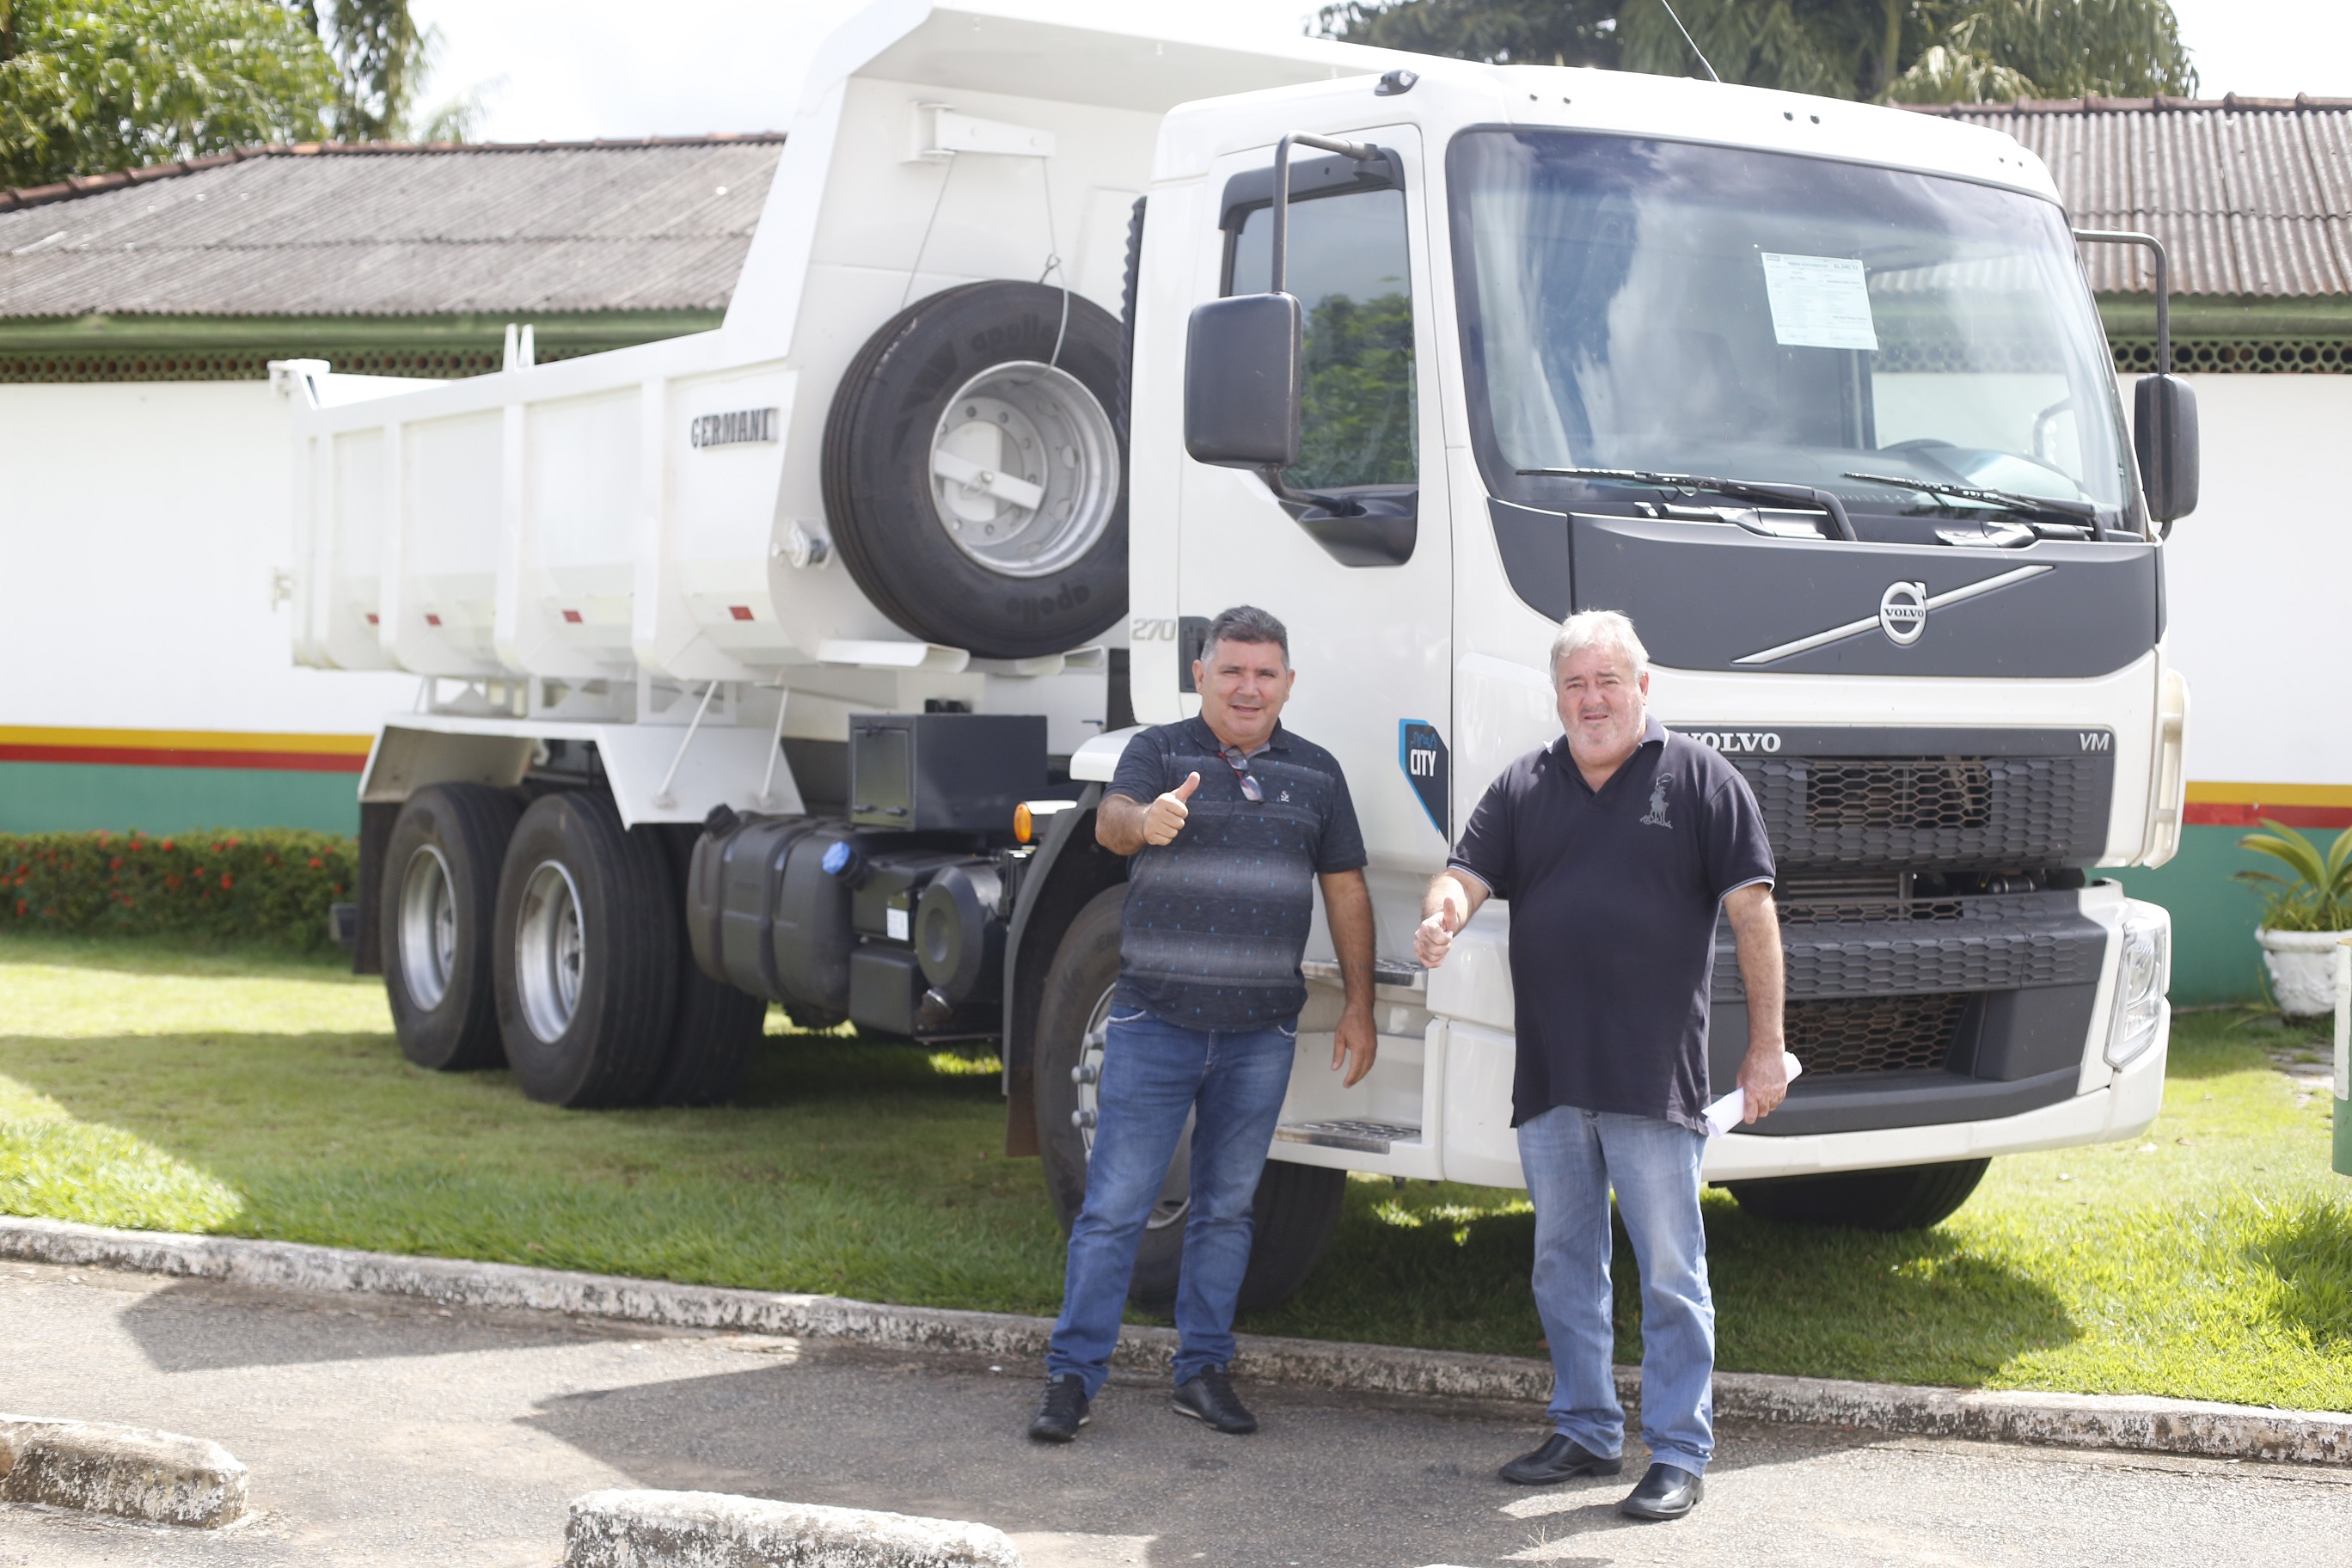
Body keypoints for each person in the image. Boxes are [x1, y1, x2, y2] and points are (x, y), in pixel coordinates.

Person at [1412, 609, 1785, 1522]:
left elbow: (1754, 917)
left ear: (1642, 687)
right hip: (1552, 1074)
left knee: (1670, 1270)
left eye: (1607, 682)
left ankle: (1679, 1450)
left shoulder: (1702, 780)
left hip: (1652, 1078)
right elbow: (1464, 873)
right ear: (1557, 696)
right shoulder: (1526, 784)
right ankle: (1585, 1429)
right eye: (1575, 684)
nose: (1592, 700)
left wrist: (1765, 1047)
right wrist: (1442, 913)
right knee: (1563, 1262)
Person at [1028, 604, 1378, 1444]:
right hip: (1156, 1024)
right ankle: (1072, 1378)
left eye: (1264, 674)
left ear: (1287, 683)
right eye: (1232, 671)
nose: (1248, 688)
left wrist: (1361, 1004)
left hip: (1260, 1035)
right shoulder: (1158, 752)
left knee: (1227, 1211)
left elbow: (1346, 890)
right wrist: (1145, 821)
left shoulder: (1317, 774)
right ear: (1201, 676)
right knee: (1115, 1208)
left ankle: (1203, 1372)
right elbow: (1112, 823)